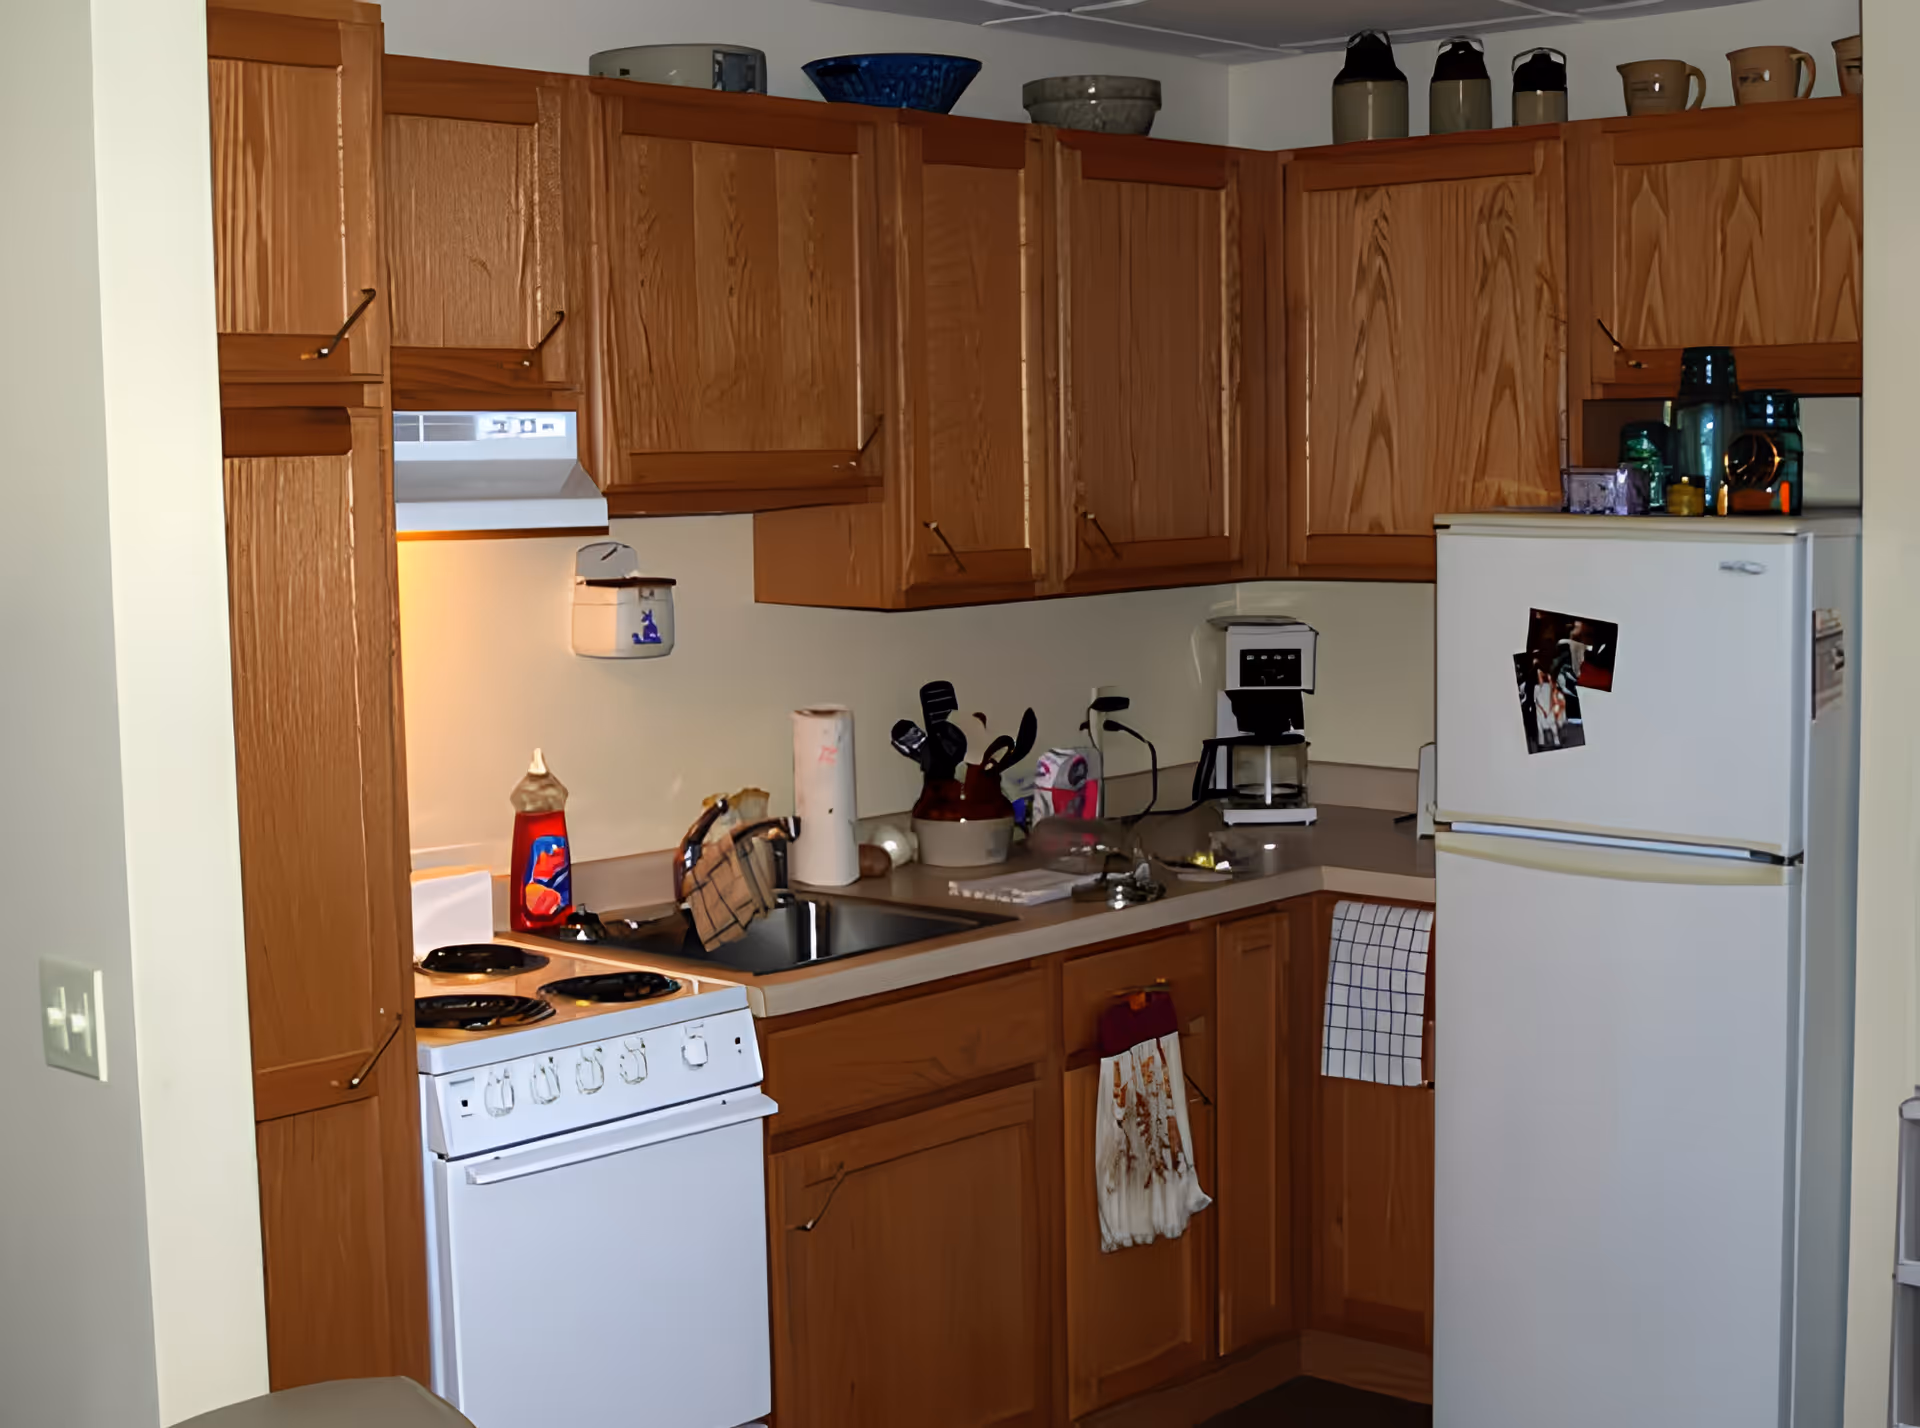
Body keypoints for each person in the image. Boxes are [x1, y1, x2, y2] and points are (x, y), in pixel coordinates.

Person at [1534, 665, 1559, 749]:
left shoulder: (1548, 685)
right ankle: (1541, 744)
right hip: (1541, 711)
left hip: (1548, 709)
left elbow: (1552, 694)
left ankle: (1556, 742)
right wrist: (1543, 710)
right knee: (1540, 727)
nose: (1540, 677)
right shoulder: (1536, 687)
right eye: (1539, 676)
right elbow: (1536, 700)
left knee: (1552, 725)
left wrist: (1551, 707)